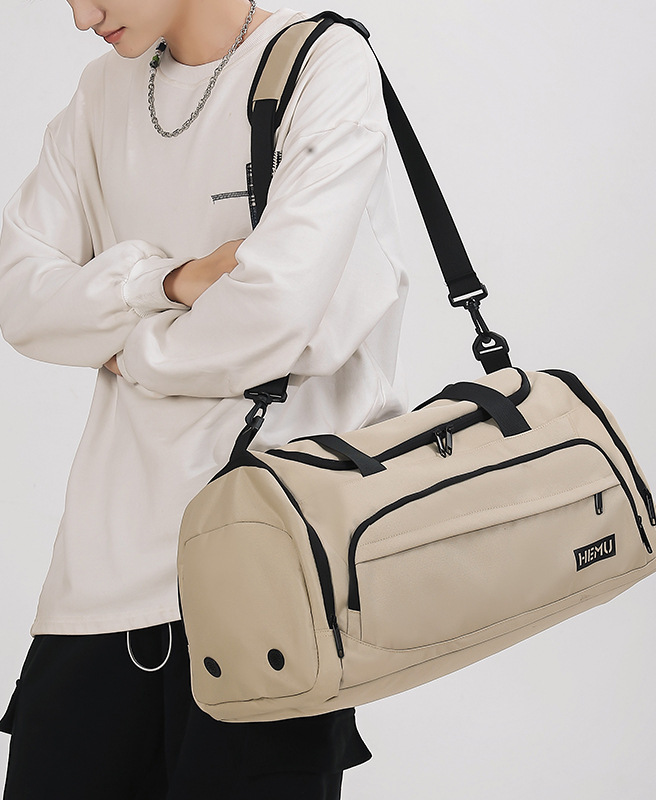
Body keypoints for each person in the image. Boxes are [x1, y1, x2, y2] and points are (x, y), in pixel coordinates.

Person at [0, 1, 408, 797]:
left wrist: (126, 346)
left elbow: (278, 319)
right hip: (99, 586)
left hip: (275, 583)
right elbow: (18, 298)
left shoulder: (320, 63)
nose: (82, 17)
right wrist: (170, 282)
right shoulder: (100, 95)